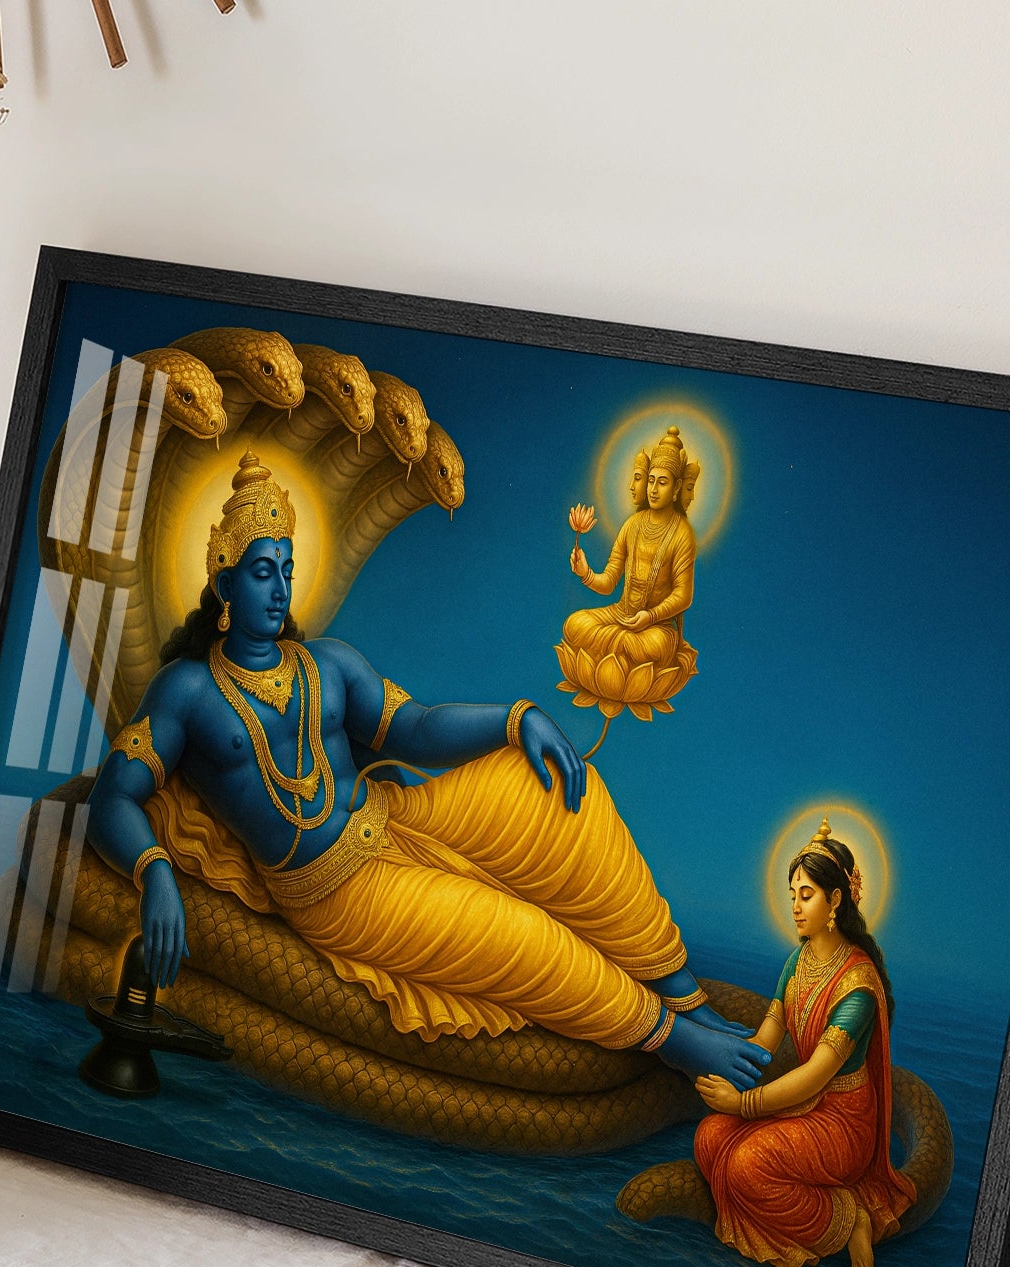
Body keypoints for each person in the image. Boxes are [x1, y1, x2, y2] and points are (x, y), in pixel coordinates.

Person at [87, 451, 769, 1087]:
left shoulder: (328, 662)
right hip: (336, 891)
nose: (279, 590)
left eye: (287, 570)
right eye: (263, 571)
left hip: (395, 820)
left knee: (555, 793)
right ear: (224, 581)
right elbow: (115, 796)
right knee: (519, 933)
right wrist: (154, 873)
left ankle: (680, 990)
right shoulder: (187, 690)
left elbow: (415, 729)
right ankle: (671, 1039)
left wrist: (516, 718)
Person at [693, 820, 916, 1267]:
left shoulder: (857, 984)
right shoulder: (798, 961)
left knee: (748, 1166)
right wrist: (707, 1051)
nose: (794, 906)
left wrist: (743, 1104)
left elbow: (816, 1074)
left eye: (806, 895)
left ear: (835, 900)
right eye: (792, 893)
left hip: (843, 1121)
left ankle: (848, 1217)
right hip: (802, 1105)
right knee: (710, 1137)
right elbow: (765, 1041)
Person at [563, 426, 698, 672]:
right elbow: (609, 582)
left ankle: (612, 655)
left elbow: (683, 595)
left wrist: (651, 616)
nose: (653, 490)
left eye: (663, 483)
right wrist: (586, 573)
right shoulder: (632, 525)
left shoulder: (682, 533)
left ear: (677, 487)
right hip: (621, 613)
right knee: (573, 625)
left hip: (657, 626)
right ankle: (617, 652)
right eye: (651, 481)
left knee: (650, 647)